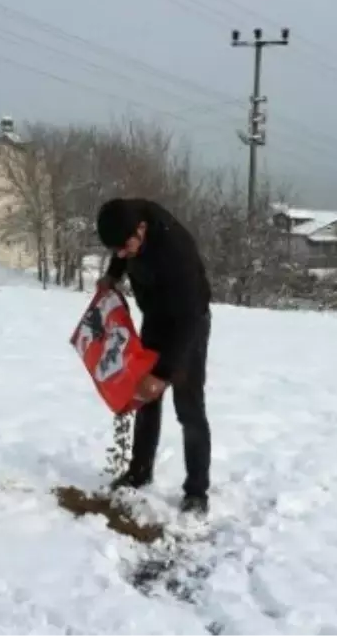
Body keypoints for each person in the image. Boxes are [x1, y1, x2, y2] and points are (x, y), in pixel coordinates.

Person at [95, 197, 213, 515]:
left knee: (188, 408)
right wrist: (113, 275)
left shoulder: (177, 254)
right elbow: (121, 250)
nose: (121, 254)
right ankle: (139, 471)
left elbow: (189, 321)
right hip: (156, 318)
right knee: (144, 399)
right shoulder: (129, 220)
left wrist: (162, 375)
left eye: (125, 248)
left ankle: (197, 491)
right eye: (115, 250)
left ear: (142, 230)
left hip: (189, 324)